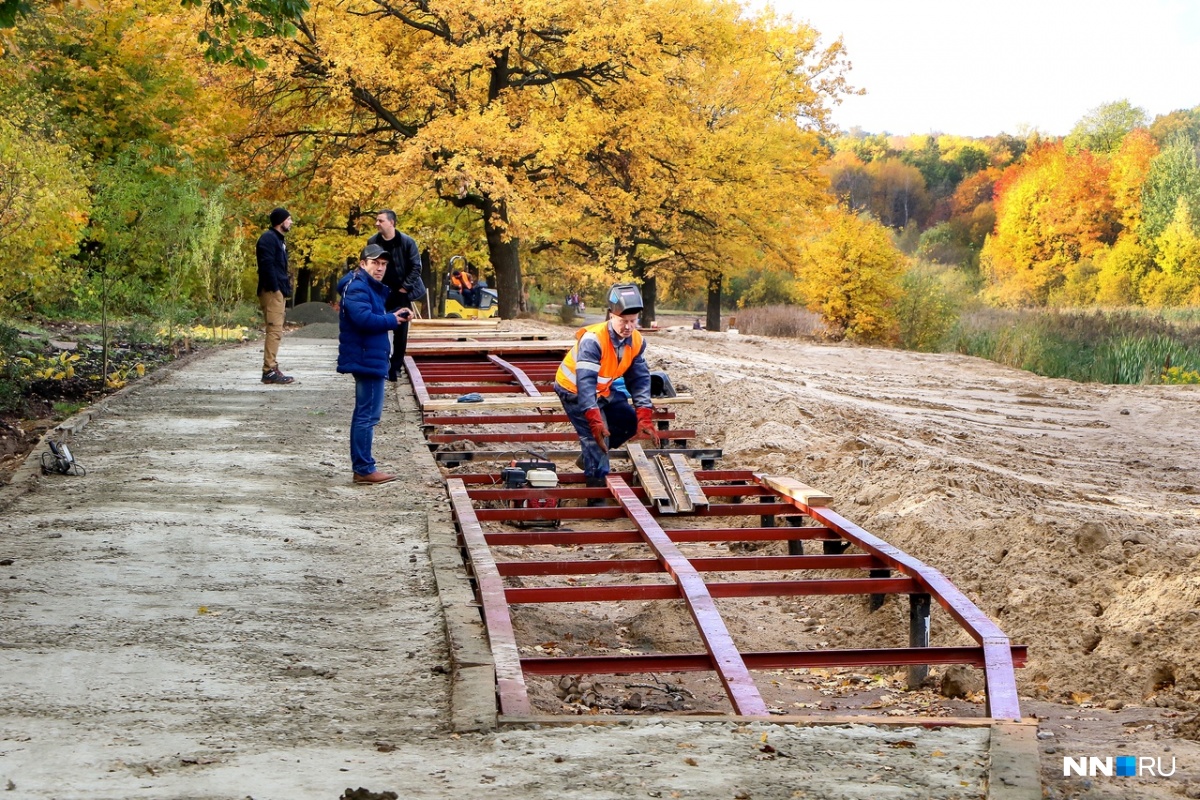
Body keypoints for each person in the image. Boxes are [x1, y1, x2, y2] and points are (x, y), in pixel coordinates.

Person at [554, 283, 660, 499]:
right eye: (624, 321)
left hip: (602, 390)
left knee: (630, 422)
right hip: (574, 389)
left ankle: (588, 458)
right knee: (596, 438)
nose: (629, 327)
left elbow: (639, 379)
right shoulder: (593, 340)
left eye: (633, 321)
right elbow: (585, 384)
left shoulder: (637, 341)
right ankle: (596, 495)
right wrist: (594, 418)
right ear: (611, 315)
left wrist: (644, 414)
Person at [337, 244, 413, 485]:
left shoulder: (366, 286)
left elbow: (372, 315)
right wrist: (392, 319)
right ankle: (363, 468)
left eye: (383, 264)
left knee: (366, 413)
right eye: (375, 263)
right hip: (365, 357)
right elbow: (363, 319)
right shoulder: (358, 286)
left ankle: (364, 466)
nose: (379, 268)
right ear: (362, 264)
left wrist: (393, 314)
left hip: (370, 355)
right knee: (367, 415)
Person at [367, 210, 425, 382]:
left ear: (391, 223)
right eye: (376, 220)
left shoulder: (407, 242)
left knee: (401, 331)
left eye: (380, 220)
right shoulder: (373, 242)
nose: (377, 223)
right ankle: (380, 363)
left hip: (401, 292)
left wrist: (405, 287)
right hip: (379, 291)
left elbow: (416, 266)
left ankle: (396, 367)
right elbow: (367, 265)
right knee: (378, 326)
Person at [255, 207, 294, 384]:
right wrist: (275, 288)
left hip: (277, 291)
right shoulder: (269, 239)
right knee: (274, 330)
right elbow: (266, 265)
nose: (291, 222)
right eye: (289, 219)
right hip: (272, 292)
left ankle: (271, 367)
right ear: (281, 221)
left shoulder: (278, 239)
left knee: (276, 330)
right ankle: (269, 370)